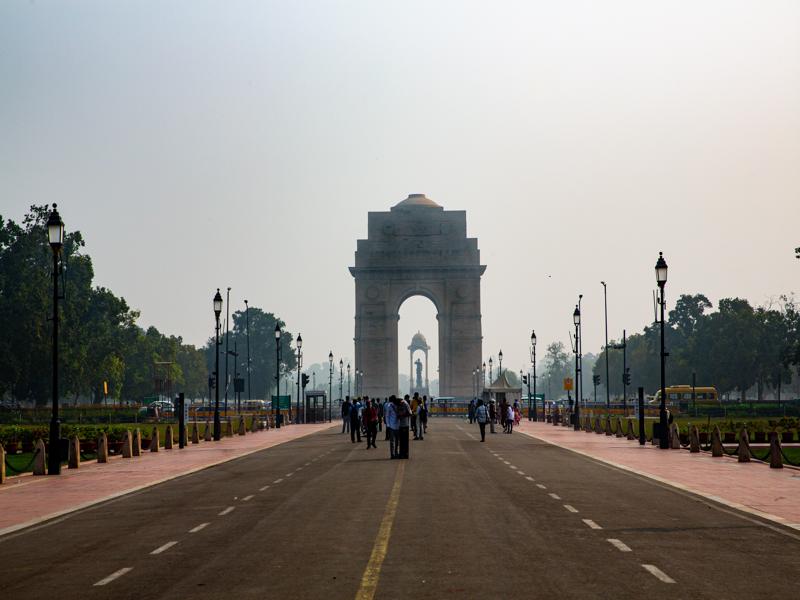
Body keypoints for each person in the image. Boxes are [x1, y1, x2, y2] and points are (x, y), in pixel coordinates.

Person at [397, 395, 412, 459]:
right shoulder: (400, 404)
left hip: (405, 425)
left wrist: (402, 415)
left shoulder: (405, 404)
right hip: (401, 425)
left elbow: (410, 413)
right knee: (401, 441)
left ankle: (406, 454)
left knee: (405, 441)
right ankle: (402, 454)